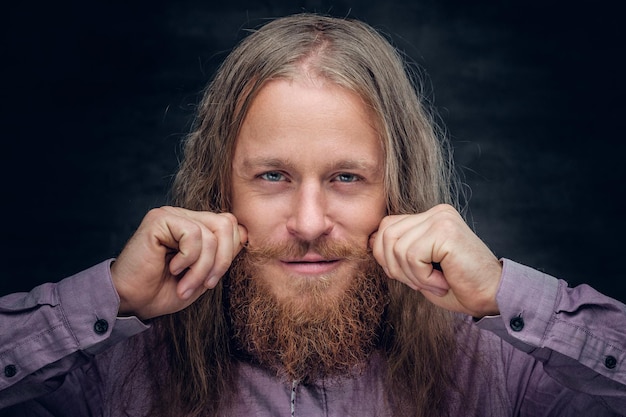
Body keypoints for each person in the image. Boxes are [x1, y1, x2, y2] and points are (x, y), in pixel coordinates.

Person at [0, 13, 624, 417]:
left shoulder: (509, 376)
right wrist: (111, 300)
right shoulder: (103, 372)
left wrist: (501, 294)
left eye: (345, 178)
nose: (307, 222)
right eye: (273, 176)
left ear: (396, 193)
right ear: (221, 190)